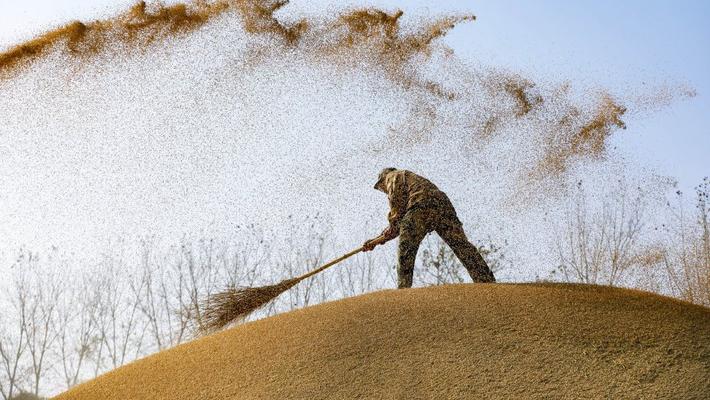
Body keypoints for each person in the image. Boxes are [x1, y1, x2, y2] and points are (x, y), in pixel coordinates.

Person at [363, 168, 496, 288]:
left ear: (382, 180)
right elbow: (398, 224)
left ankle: (402, 290)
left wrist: (390, 227)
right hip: (442, 204)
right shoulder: (409, 179)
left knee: (406, 247)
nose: (383, 191)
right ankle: (486, 280)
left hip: (421, 205)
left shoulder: (392, 176)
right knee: (461, 244)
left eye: (381, 188)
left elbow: (396, 213)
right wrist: (377, 240)